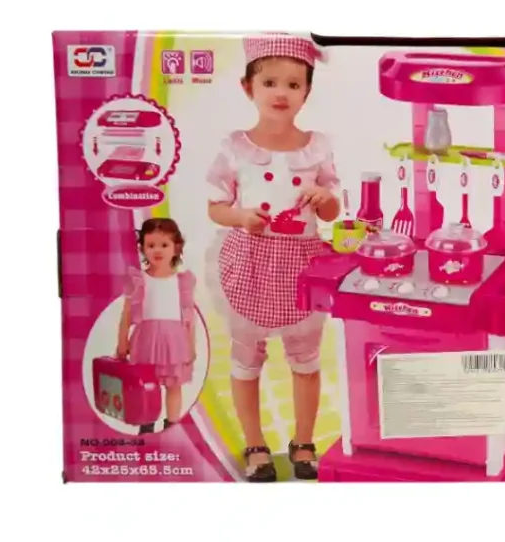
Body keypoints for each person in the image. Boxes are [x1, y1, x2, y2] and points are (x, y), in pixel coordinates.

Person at [205, 35, 340, 481]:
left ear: (307, 92)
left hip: (302, 264)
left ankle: (303, 440)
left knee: (306, 358)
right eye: (269, 82)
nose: (281, 93)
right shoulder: (235, 146)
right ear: (248, 88)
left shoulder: (317, 147)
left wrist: (324, 198)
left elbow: (332, 212)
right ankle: (254, 443)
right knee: (246, 359)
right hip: (251, 262)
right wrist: (241, 216)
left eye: (293, 84)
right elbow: (215, 206)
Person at [116, 217, 197, 434]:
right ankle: (146, 425)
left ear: (176, 247)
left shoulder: (182, 281)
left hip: (174, 341)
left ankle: (172, 426)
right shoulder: (138, 279)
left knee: (174, 385)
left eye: (164, 244)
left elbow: (189, 317)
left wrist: (191, 345)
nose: (157, 250)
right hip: (146, 340)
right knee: (145, 387)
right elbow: (126, 313)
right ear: (142, 248)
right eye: (151, 245)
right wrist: (122, 341)